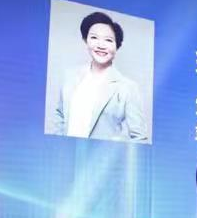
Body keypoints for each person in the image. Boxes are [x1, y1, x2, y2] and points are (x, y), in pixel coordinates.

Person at [54, 11, 147, 142]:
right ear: (86, 40)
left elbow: (140, 138)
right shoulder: (70, 76)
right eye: (94, 37)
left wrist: (115, 152)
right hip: (65, 153)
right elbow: (60, 115)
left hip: (101, 155)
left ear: (117, 46)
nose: (101, 45)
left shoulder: (127, 87)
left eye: (108, 40)